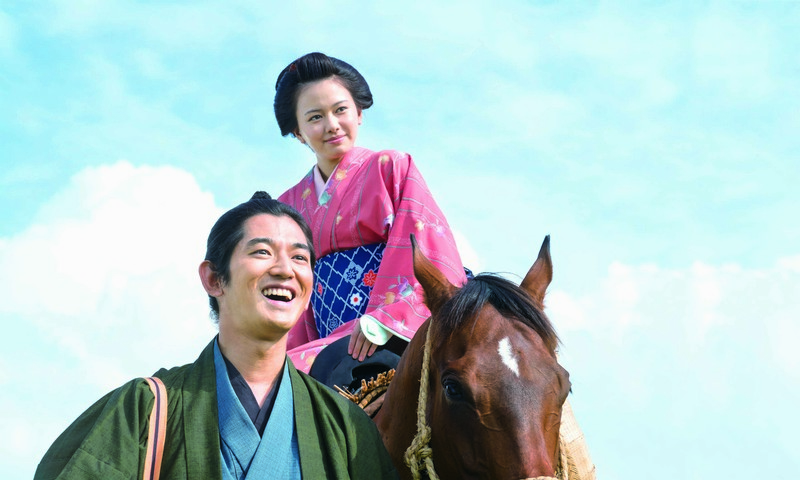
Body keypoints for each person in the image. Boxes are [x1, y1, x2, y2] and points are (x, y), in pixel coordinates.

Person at [34, 192, 399, 480]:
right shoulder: (144, 410)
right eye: (262, 252)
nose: (285, 269)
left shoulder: (345, 426)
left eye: (300, 258)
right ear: (213, 279)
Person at [274, 52, 467, 373]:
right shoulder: (288, 206)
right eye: (315, 117)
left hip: (386, 328)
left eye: (341, 110)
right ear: (298, 132)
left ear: (359, 113)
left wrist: (385, 319)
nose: (332, 125)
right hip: (320, 339)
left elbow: (425, 247)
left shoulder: (391, 168)